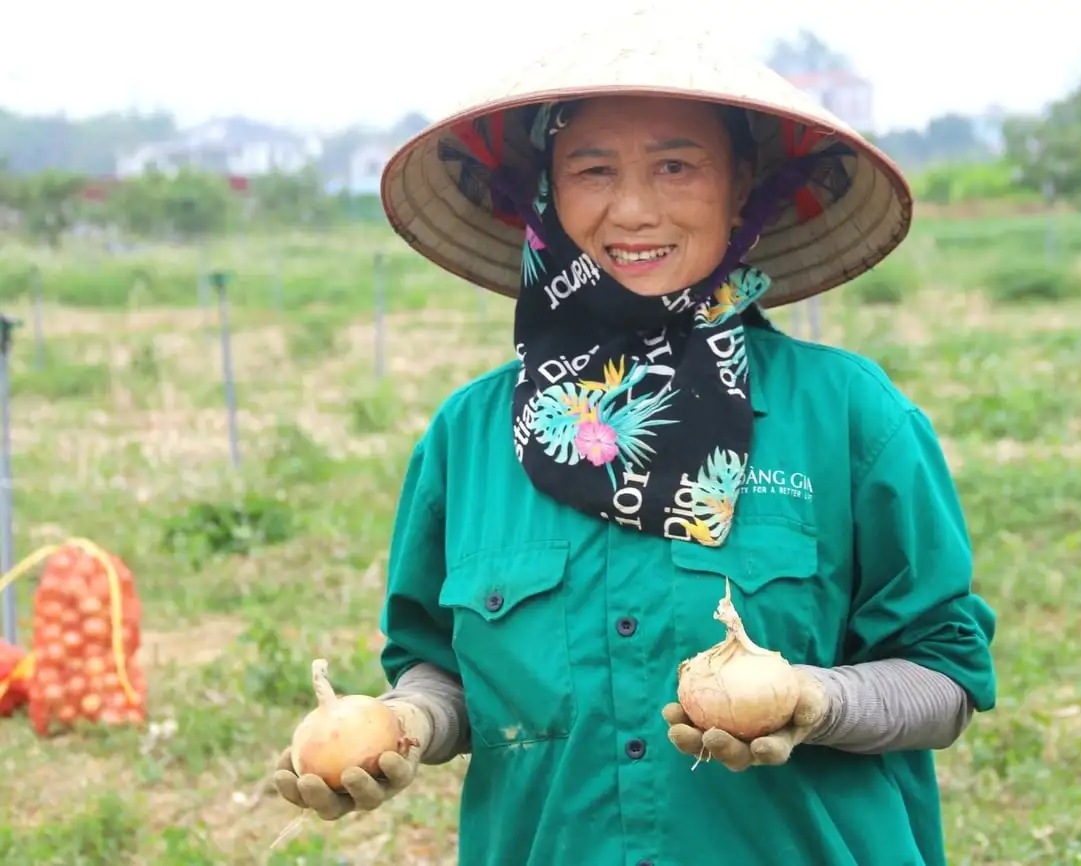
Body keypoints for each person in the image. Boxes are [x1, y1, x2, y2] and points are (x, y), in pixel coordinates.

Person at [271, 13, 997, 866]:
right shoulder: (467, 436)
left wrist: (813, 701)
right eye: (593, 169)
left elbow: (945, 675)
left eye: (676, 166)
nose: (635, 209)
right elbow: (443, 671)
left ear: (741, 186)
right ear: (548, 192)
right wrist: (405, 725)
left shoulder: (849, 414)